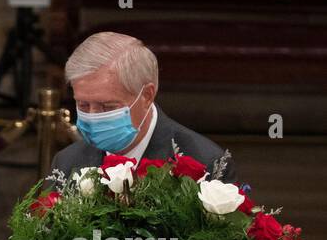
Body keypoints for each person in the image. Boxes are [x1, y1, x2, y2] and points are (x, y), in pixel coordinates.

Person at [53, 31, 237, 182]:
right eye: (83, 105)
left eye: (107, 107)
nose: (93, 117)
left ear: (147, 95)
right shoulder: (66, 162)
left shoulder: (206, 163)